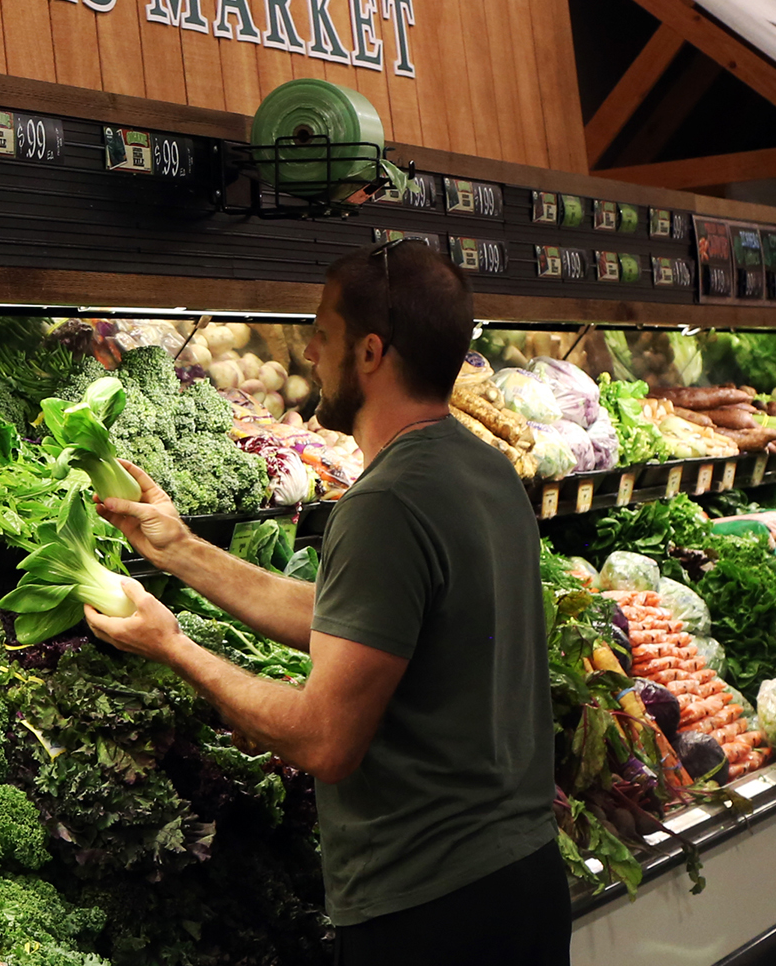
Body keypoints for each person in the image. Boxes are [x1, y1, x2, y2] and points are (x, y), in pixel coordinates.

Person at [82, 239, 562, 965]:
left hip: (432, 909)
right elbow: (357, 622)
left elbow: (324, 741)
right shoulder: (484, 472)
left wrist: (172, 645)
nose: (309, 352)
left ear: (370, 353)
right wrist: (177, 548)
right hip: (518, 878)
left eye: (323, 333)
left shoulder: (388, 504)